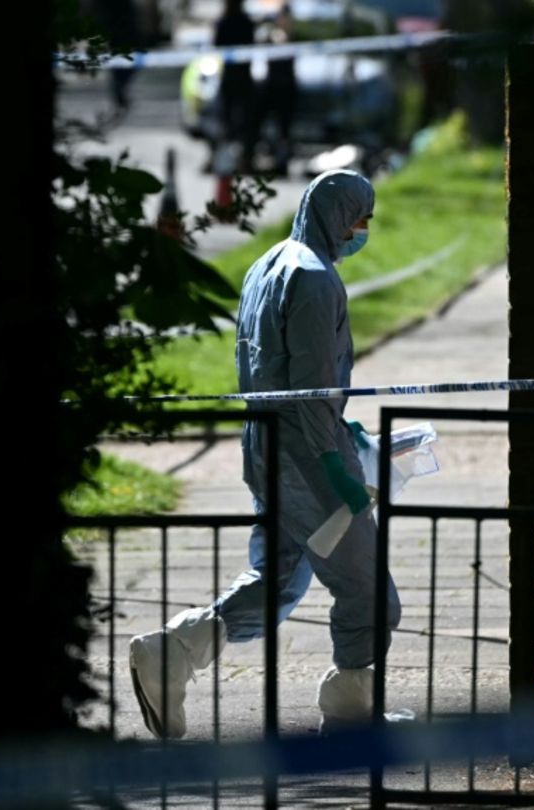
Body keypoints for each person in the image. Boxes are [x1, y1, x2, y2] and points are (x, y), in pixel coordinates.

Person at [129, 170, 401, 739]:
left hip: (267, 448)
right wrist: (335, 463)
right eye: (361, 218)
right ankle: (353, 708)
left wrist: (333, 426)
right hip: (309, 460)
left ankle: (173, 651)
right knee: (368, 591)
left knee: (276, 581)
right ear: (338, 214)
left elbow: (274, 372)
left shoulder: (267, 264)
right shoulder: (315, 277)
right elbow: (312, 382)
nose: (362, 231)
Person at [211, 0, 258, 173]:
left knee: (227, 121)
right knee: (243, 122)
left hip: (232, 78)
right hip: (242, 77)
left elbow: (216, 45)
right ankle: (243, 159)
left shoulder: (223, 22)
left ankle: (226, 157)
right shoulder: (246, 22)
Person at [252, 2, 299, 173]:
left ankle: (282, 161)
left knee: (284, 129)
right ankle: (260, 154)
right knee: (261, 122)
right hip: (272, 87)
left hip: (286, 89)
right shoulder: (271, 35)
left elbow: (285, 42)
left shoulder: (289, 36)